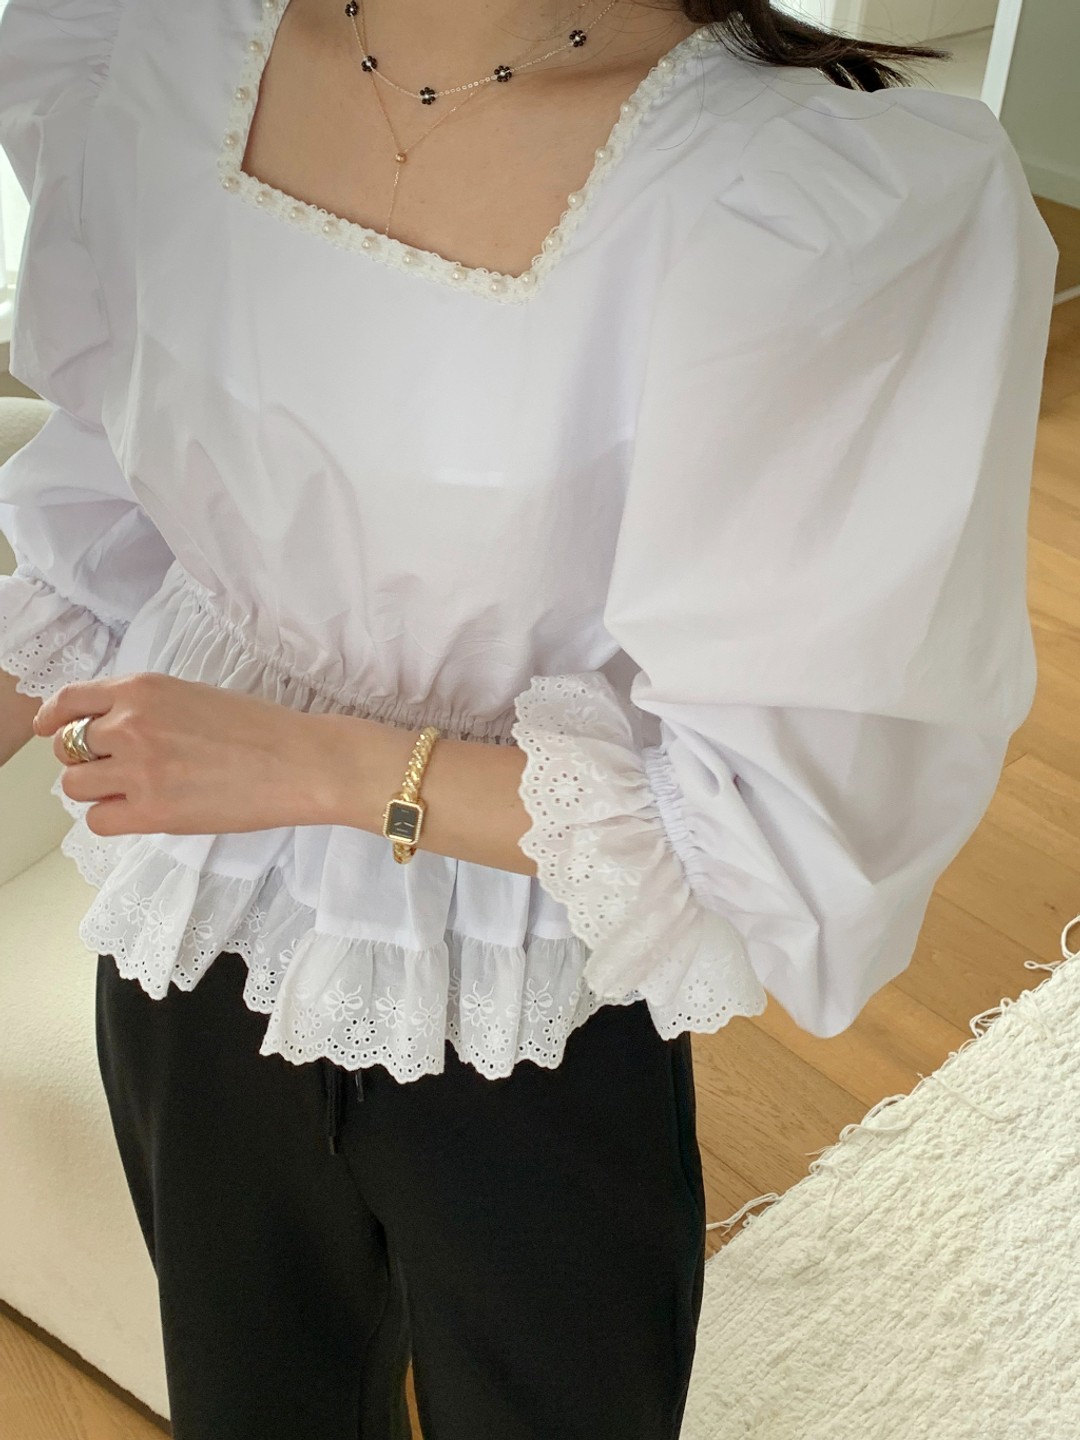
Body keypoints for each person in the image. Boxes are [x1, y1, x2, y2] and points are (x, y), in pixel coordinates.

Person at [0, 0, 1059, 1436]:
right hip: (193, 925)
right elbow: (113, 496)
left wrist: (311, 763)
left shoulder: (787, 200)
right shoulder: (159, 47)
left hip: (533, 984)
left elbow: (766, 824)